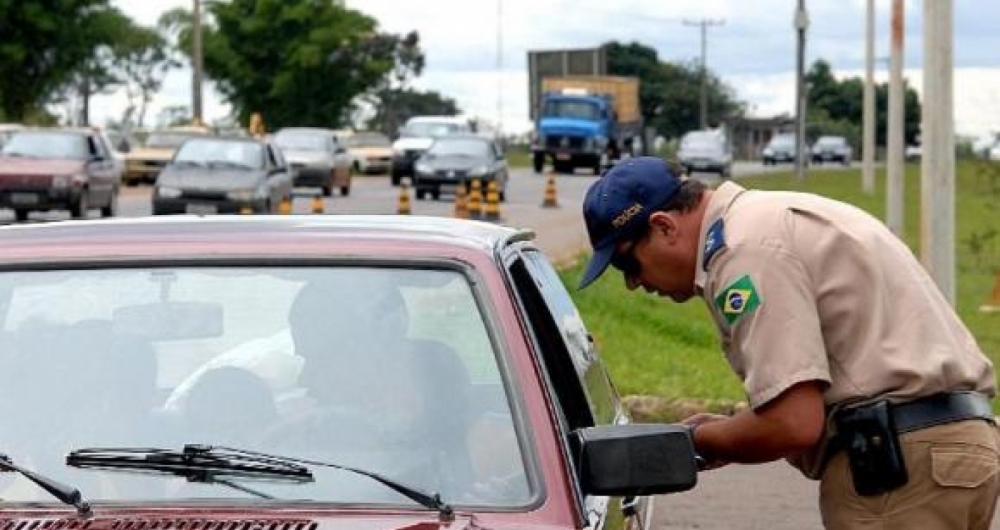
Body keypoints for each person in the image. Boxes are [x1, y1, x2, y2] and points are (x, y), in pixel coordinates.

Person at [577, 156, 999, 529]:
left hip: (897, 470)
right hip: (955, 452)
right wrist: (731, 428)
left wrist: (700, 441)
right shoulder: (770, 216)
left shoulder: (743, 251)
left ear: (664, 226)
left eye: (625, 262)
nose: (632, 283)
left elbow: (792, 423)